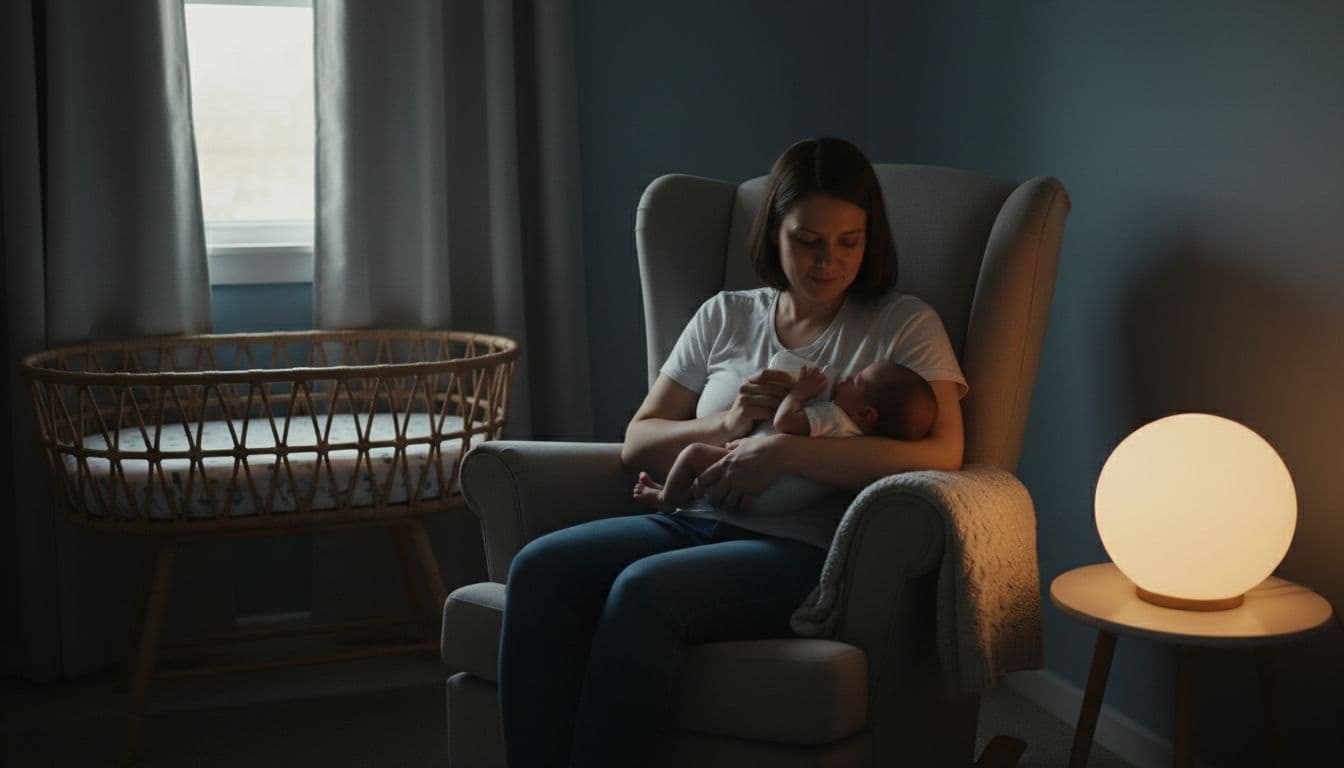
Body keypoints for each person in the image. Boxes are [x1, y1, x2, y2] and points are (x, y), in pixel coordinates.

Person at [498, 137, 968, 768]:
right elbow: (638, 441)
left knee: (643, 592)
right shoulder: (725, 316)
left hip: (797, 547)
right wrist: (729, 422)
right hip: (688, 518)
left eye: (849, 242)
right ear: (774, 232)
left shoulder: (904, 324)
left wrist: (785, 456)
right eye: (808, 240)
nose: (828, 261)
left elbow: (944, 451)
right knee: (539, 569)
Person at [631, 360, 937, 512]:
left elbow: (785, 423)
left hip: (767, 487)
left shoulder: (836, 419)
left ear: (867, 415)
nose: (845, 379)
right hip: (780, 494)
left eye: (855, 381)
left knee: (693, 454)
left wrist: (800, 393)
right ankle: (686, 493)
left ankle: (667, 499)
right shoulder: (857, 439)